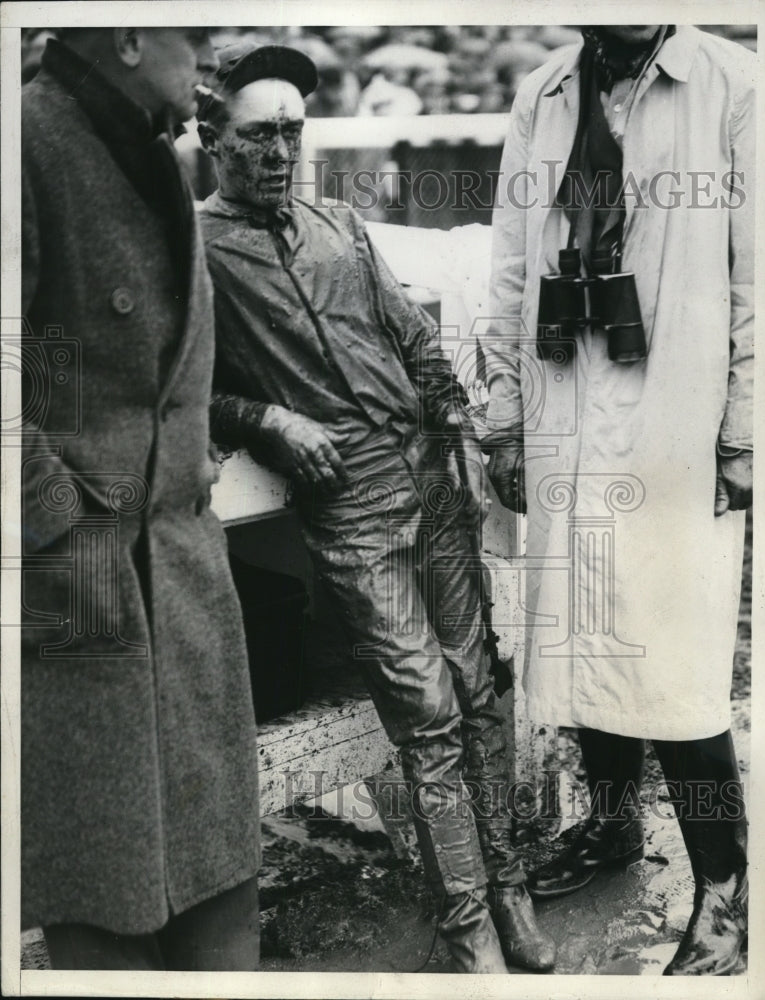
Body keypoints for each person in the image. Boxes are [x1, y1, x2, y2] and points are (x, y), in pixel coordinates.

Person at [196, 44, 555, 974]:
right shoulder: (193, 249)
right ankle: (467, 919)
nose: (278, 152)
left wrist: (470, 430)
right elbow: (174, 385)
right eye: (256, 135)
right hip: (348, 505)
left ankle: (511, 891)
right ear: (211, 139)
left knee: (481, 689)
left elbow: (414, 338)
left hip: (431, 481)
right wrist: (267, 416)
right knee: (426, 709)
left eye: (290, 133)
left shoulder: (341, 224)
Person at [483, 24, 753, 975]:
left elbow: (760, 278)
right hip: (568, 394)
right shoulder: (547, 93)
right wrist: (505, 415)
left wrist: (745, 432)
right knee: (589, 631)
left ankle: (726, 888)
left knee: (677, 666)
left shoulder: (735, 85)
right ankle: (610, 830)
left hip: (678, 415)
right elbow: (512, 260)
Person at [21, 28, 260, 970]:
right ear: (124, 36)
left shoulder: (152, 145)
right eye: (191, 37)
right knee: (102, 896)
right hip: (81, 578)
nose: (204, 58)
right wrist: (61, 518)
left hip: (183, 565)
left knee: (218, 882)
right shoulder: (28, 141)